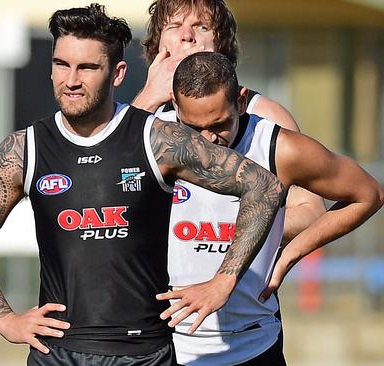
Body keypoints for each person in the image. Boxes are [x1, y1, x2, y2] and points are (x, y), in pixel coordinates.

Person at [0, 4, 285, 365]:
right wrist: (4, 318)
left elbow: (263, 187)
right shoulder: (23, 149)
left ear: (118, 73)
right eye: (62, 65)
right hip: (56, 354)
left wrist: (225, 280)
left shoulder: (158, 140)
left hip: (143, 354)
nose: (72, 80)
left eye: (88, 68)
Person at [163, 51, 384, 365]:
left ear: (241, 101)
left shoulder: (277, 146)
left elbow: (369, 194)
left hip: (254, 344)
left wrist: (290, 254)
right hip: (171, 347)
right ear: (175, 106)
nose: (208, 140)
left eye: (219, 125)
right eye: (194, 127)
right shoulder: (154, 140)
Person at [133, 0, 326, 244]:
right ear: (158, 44)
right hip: (162, 281)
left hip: (237, 277)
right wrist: (148, 98)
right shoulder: (145, 112)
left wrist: (225, 229)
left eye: (201, 27)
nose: (187, 36)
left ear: (221, 43)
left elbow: (311, 211)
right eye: (174, 26)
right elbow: (106, 193)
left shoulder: (265, 115)